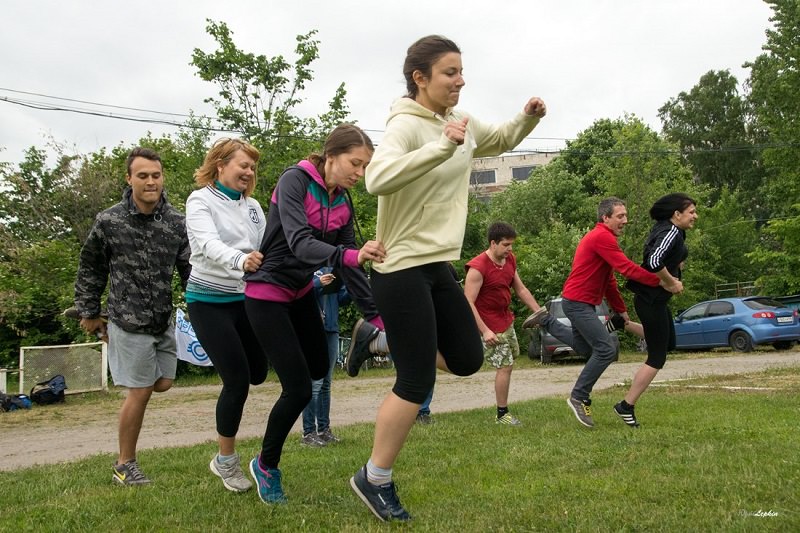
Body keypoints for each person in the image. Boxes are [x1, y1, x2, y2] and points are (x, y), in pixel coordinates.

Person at [350, 35, 547, 522]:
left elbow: (499, 138)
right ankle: (375, 477)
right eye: (449, 73)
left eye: (461, 71)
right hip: (399, 267)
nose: (460, 80)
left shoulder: (459, 121)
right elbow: (377, 178)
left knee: (466, 358)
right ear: (420, 78)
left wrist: (527, 117)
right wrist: (441, 147)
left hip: (436, 263)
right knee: (415, 380)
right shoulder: (404, 124)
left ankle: (377, 339)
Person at [243, 124, 387, 505]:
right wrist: (350, 255)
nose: (360, 173)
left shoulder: (343, 201)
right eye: (355, 163)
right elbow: (300, 243)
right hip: (266, 293)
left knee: (321, 365)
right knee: (299, 389)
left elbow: (349, 263)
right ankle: (266, 465)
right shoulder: (295, 181)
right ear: (332, 155)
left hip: (300, 292)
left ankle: (362, 341)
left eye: (365, 166)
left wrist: (376, 318)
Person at [74, 147, 191, 485]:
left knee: (163, 383)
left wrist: (202, 306)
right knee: (139, 392)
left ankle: (126, 456)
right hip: (126, 319)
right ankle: (124, 465)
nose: (150, 181)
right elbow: (91, 267)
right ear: (129, 179)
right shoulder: (109, 221)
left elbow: (189, 268)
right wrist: (89, 311)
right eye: (142, 176)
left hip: (162, 319)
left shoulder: (176, 222)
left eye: (156, 175)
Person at [184, 138, 268, 492]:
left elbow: (266, 248)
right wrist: (241, 260)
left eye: (252, 167)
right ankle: (226, 461)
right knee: (236, 381)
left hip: (245, 299)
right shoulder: (200, 200)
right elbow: (207, 245)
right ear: (220, 165)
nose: (248, 172)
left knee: (258, 373)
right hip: (208, 301)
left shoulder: (254, 207)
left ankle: (226, 457)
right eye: (242, 165)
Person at [561, 197, 682, 428]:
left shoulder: (604, 238)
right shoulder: (602, 237)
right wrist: (661, 281)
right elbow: (626, 268)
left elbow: (609, 281)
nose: (625, 220)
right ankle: (579, 396)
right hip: (577, 303)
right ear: (605, 218)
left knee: (585, 349)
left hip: (579, 302)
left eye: (625, 215)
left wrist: (621, 310)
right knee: (606, 349)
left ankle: (547, 321)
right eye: (620, 216)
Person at [616, 193, 697, 427]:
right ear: (677, 214)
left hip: (655, 301)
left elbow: (661, 254)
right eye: (691, 212)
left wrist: (677, 263)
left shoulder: (673, 230)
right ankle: (626, 406)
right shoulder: (670, 231)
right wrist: (671, 282)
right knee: (657, 357)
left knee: (668, 343)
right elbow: (653, 261)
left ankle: (622, 323)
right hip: (650, 300)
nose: (695, 216)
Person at [464, 222, 548, 426]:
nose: (510, 249)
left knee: (513, 356)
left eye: (511, 244)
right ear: (493, 243)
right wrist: (485, 331)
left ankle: (502, 410)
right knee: (505, 366)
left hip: (506, 320)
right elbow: (468, 303)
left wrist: (539, 313)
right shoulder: (478, 268)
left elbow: (521, 289)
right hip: (489, 325)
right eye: (506, 244)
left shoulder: (509, 259)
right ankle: (502, 414)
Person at [301, 267, 351, 446]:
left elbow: (341, 299)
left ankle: (323, 430)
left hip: (331, 329)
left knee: (326, 383)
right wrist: (317, 283)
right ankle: (308, 432)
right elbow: (297, 292)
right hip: (312, 329)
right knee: (314, 383)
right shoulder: (306, 267)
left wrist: (352, 286)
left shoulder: (333, 269)